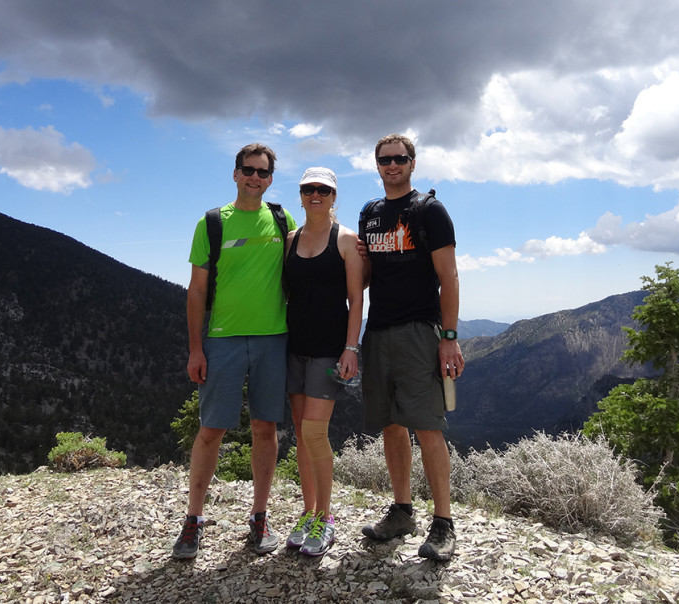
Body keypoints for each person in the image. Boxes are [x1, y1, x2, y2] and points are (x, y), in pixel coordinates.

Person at [172, 143, 296, 559]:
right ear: (235, 173)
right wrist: (195, 348)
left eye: (262, 172)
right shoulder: (211, 223)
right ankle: (193, 520)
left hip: (274, 338)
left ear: (270, 179)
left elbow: (313, 254)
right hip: (222, 340)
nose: (254, 177)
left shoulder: (282, 219)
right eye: (248, 170)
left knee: (265, 429)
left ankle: (260, 517)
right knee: (211, 430)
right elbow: (197, 289)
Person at [357, 134, 465, 562]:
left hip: (421, 331)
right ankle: (401, 511)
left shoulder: (430, 211)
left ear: (413, 163)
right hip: (378, 330)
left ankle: (444, 523)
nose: (392, 165)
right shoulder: (371, 214)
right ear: (376, 164)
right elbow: (366, 277)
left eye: (400, 158)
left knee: (427, 426)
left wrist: (449, 338)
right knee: (390, 424)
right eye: (385, 159)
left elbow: (449, 276)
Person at [283, 167, 365, 557]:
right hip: (293, 348)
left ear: (334, 196)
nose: (315, 194)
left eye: (323, 189)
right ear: (300, 195)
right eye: (308, 188)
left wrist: (352, 347)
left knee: (315, 433)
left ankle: (326, 517)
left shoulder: (346, 240)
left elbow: (356, 298)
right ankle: (308, 511)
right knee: (301, 434)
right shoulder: (290, 240)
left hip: (329, 350)